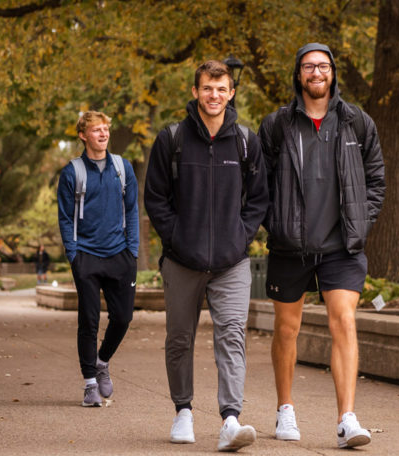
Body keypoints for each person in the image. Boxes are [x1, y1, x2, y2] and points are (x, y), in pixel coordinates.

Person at [259, 43, 385, 449]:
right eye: (309, 66)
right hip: (289, 245)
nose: (317, 72)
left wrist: (360, 223)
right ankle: (285, 409)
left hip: (340, 246)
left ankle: (347, 418)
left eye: (323, 66)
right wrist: (273, 225)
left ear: (333, 73)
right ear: (298, 74)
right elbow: (257, 184)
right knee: (287, 329)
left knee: (343, 321)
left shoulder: (357, 123)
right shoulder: (277, 125)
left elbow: (376, 180)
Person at [145, 60, 267, 452]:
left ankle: (230, 420)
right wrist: (177, 238)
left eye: (222, 88)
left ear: (231, 93)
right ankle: (183, 411)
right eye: (207, 88)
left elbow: (258, 200)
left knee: (231, 336)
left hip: (232, 263)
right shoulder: (172, 138)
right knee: (179, 339)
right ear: (195, 91)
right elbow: (156, 199)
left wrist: (239, 236)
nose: (214, 95)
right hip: (182, 260)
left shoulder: (246, 141)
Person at [57, 111, 139, 407]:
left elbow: (131, 210)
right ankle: (90, 383)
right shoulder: (72, 172)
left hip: (120, 254)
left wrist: (133, 250)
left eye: (106, 129)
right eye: (96, 130)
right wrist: (73, 254)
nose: (103, 134)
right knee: (88, 320)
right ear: (83, 135)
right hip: (87, 256)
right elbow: (65, 218)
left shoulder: (123, 168)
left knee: (123, 317)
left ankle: (102, 361)